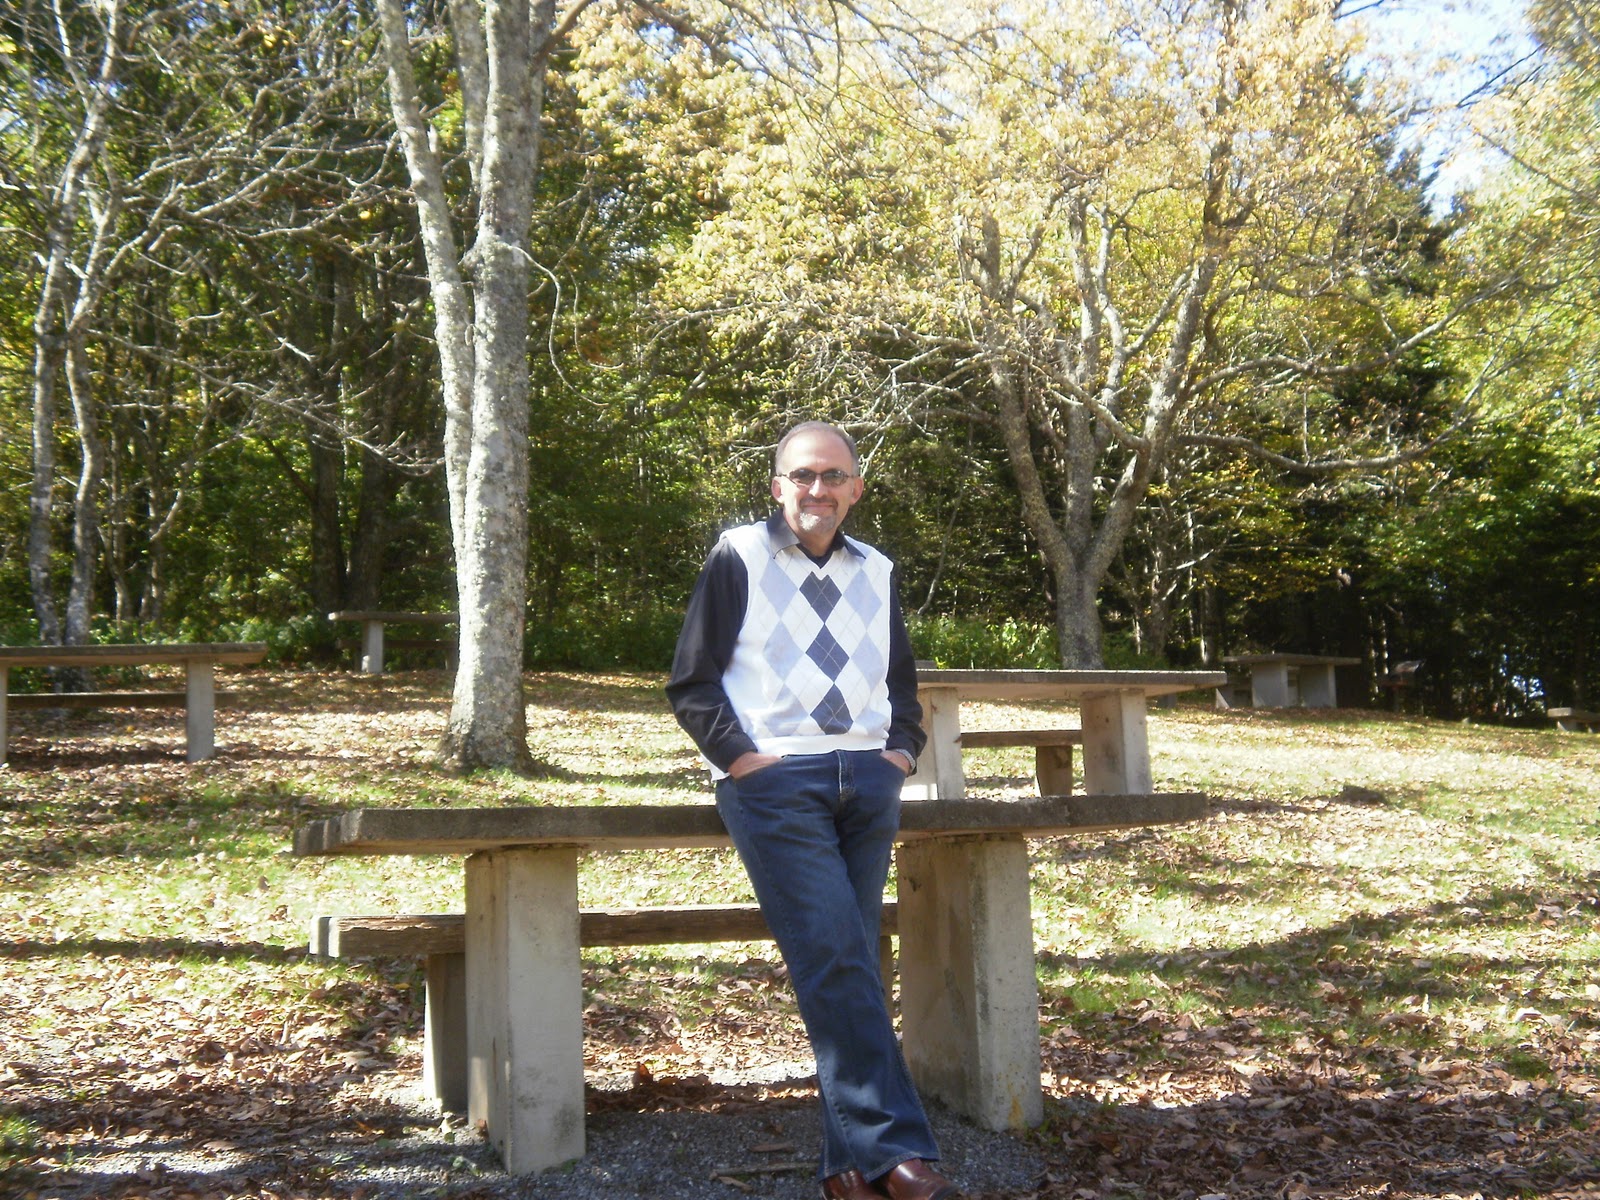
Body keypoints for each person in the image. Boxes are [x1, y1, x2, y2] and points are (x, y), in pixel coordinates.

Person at [666, 421, 962, 1200]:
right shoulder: (739, 555)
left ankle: (845, 1170)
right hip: (775, 782)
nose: (817, 489)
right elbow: (691, 681)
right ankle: (897, 1152)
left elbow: (902, 684)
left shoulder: (877, 569)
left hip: (867, 781)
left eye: (832, 476)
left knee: (848, 958)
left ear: (856, 489)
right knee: (835, 954)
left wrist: (900, 754)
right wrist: (743, 761)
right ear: (778, 487)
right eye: (802, 475)